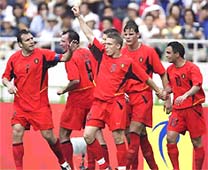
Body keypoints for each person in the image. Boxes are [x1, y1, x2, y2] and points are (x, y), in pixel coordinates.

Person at [72, 6, 166, 169]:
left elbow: (146, 79)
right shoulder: (102, 53)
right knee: (88, 135)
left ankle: (122, 167)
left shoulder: (127, 62)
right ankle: (104, 165)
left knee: (119, 137)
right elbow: (89, 34)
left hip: (116, 103)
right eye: (105, 43)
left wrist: (159, 92)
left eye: (109, 44)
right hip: (98, 103)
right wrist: (80, 17)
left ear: (117, 46)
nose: (105, 45)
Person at [1, 29, 77, 170]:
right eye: (28, 40)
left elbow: (64, 58)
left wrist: (71, 51)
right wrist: (9, 85)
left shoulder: (43, 55)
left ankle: (62, 162)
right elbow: (5, 78)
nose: (32, 41)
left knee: (49, 136)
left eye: (32, 38)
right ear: (20, 44)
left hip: (39, 105)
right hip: (21, 105)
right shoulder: (14, 59)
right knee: (17, 131)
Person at [57, 29, 106, 170]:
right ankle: (101, 166)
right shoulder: (87, 52)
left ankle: (69, 168)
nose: (60, 44)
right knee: (95, 134)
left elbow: (75, 80)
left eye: (63, 41)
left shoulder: (70, 57)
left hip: (78, 99)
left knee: (64, 133)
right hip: (94, 95)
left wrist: (64, 90)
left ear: (74, 43)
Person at [122, 20, 168, 169]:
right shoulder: (121, 52)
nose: (128, 37)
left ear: (138, 35)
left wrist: (167, 96)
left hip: (143, 97)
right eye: (126, 34)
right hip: (126, 98)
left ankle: (124, 167)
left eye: (131, 34)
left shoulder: (148, 52)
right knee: (137, 137)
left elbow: (162, 73)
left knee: (134, 132)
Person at [164, 41, 206, 170]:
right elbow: (171, 86)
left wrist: (185, 95)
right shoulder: (169, 69)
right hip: (178, 110)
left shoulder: (192, 68)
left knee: (196, 142)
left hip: (193, 108)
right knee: (170, 138)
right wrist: (166, 96)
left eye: (169, 53)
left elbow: (197, 85)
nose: (166, 55)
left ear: (177, 54)